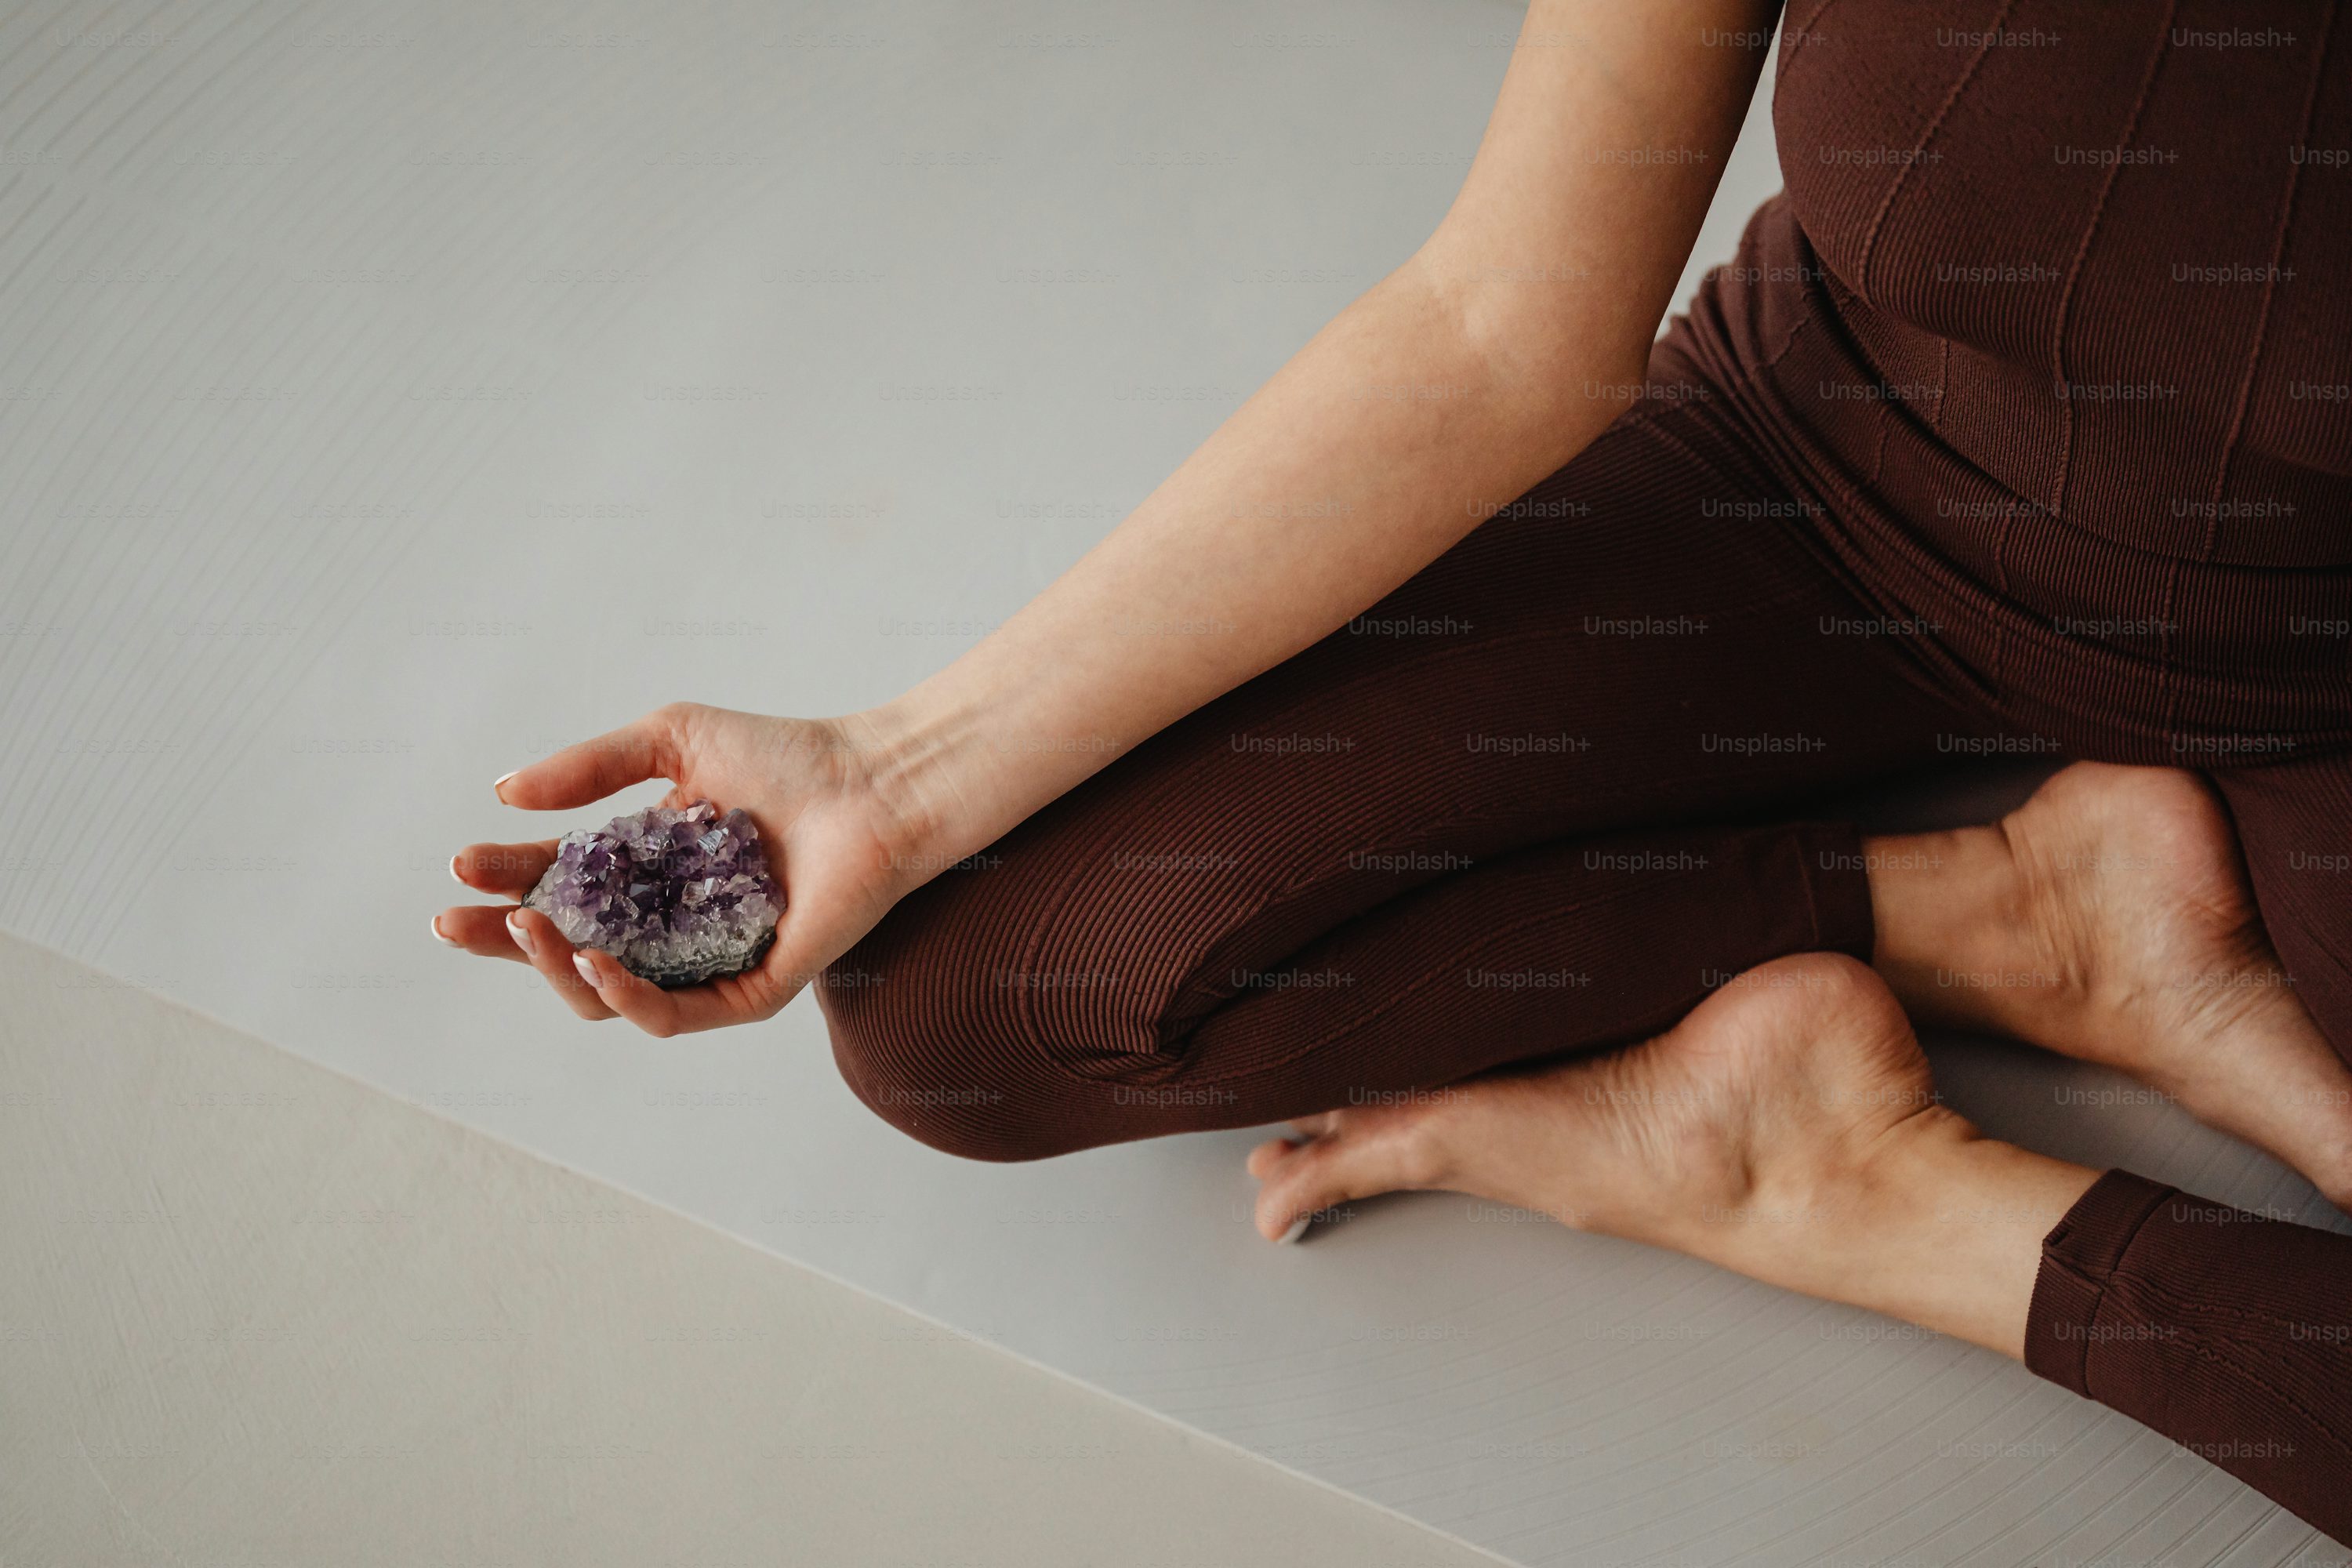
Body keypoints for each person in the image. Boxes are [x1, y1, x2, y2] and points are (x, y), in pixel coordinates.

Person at [436, 0, 2352, 1541]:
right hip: (1815, 478)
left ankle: (1893, 1209)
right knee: (967, 1001)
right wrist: (894, 769)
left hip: (2319, 676)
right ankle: (2004, 916)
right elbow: (1498, 318)